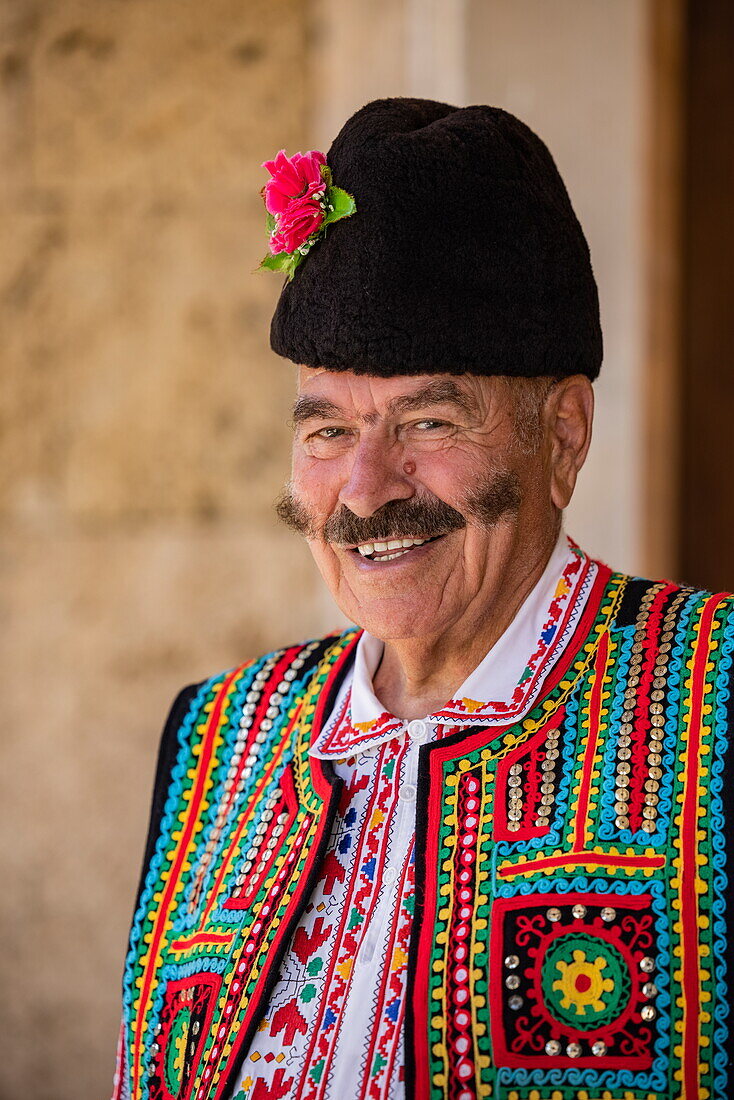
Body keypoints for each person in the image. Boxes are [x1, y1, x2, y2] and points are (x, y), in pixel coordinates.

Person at [112, 98, 734, 1100]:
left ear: (562, 435)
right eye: (325, 431)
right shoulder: (212, 738)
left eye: (428, 419)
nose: (364, 489)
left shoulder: (716, 695)